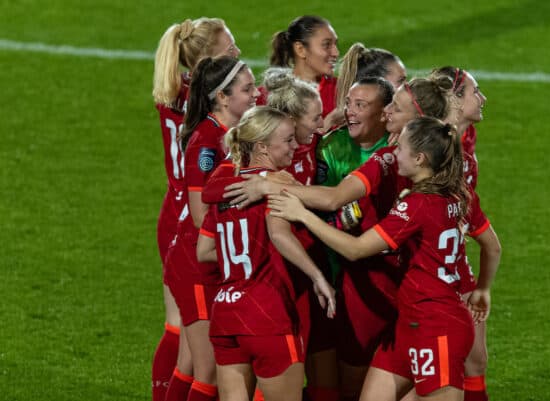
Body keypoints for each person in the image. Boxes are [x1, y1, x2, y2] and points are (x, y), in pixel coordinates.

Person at [268, 116, 500, 401]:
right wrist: (483, 291)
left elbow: (355, 249)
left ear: (420, 158)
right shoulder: (461, 194)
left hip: (437, 328)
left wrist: (302, 214)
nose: (394, 152)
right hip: (410, 324)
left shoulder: (417, 205)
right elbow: (493, 247)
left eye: (400, 148)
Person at [196, 106, 336, 401]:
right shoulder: (278, 182)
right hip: (266, 312)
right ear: (261, 146)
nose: (295, 146)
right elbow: (279, 234)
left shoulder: (228, 188)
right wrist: (318, 276)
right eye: (287, 140)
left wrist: (248, 253)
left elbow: (205, 250)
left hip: (225, 312)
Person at [151, 17, 240, 401]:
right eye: (229, 47)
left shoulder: (175, 90)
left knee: (184, 336)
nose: (236, 53)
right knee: (191, 344)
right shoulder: (208, 103)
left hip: (176, 206)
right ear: (207, 61)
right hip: (191, 213)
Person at [163, 56, 259, 401]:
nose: (256, 93)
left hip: (213, 258)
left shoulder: (231, 135)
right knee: (209, 372)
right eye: (247, 89)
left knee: (202, 366)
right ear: (222, 97)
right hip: (195, 263)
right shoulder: (206, 142)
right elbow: (201, 214)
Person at [430, 66, 491, 401]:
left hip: (456, 259)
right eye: (474, 91)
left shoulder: (466, 139)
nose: (482, 98)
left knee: (475, 358)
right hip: (430, 270)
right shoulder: (432, 146)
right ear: (454, 99)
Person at [268, 15, 339, 121]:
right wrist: (329, 122)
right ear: (301, 49)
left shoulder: (343, 92)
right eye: (326, 45)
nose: (336, 53)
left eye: (335, 44)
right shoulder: (268, 95)